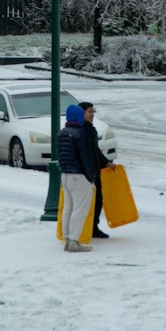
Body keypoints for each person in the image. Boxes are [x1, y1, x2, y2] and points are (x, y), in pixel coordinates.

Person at [58, 102, 99, 252]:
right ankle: (74, 241)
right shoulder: (81, 134)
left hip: (66, 175)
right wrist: (91, 177)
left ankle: (67, 239)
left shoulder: (61, 132)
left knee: (68, 208)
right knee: (80, 209)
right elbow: (85, 158)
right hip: (80, 176)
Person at [79, 101, 113, 238]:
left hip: (94, 171)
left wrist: (106, 162)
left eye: (93, 111)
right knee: (84, 203)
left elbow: (95, 150)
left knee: (98, 200)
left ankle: (93, 227)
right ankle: (82, 228)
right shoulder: (79, 130)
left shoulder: (91, 129)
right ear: (81, 113)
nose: (92, 114)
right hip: (84, 173)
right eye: (89, 111)